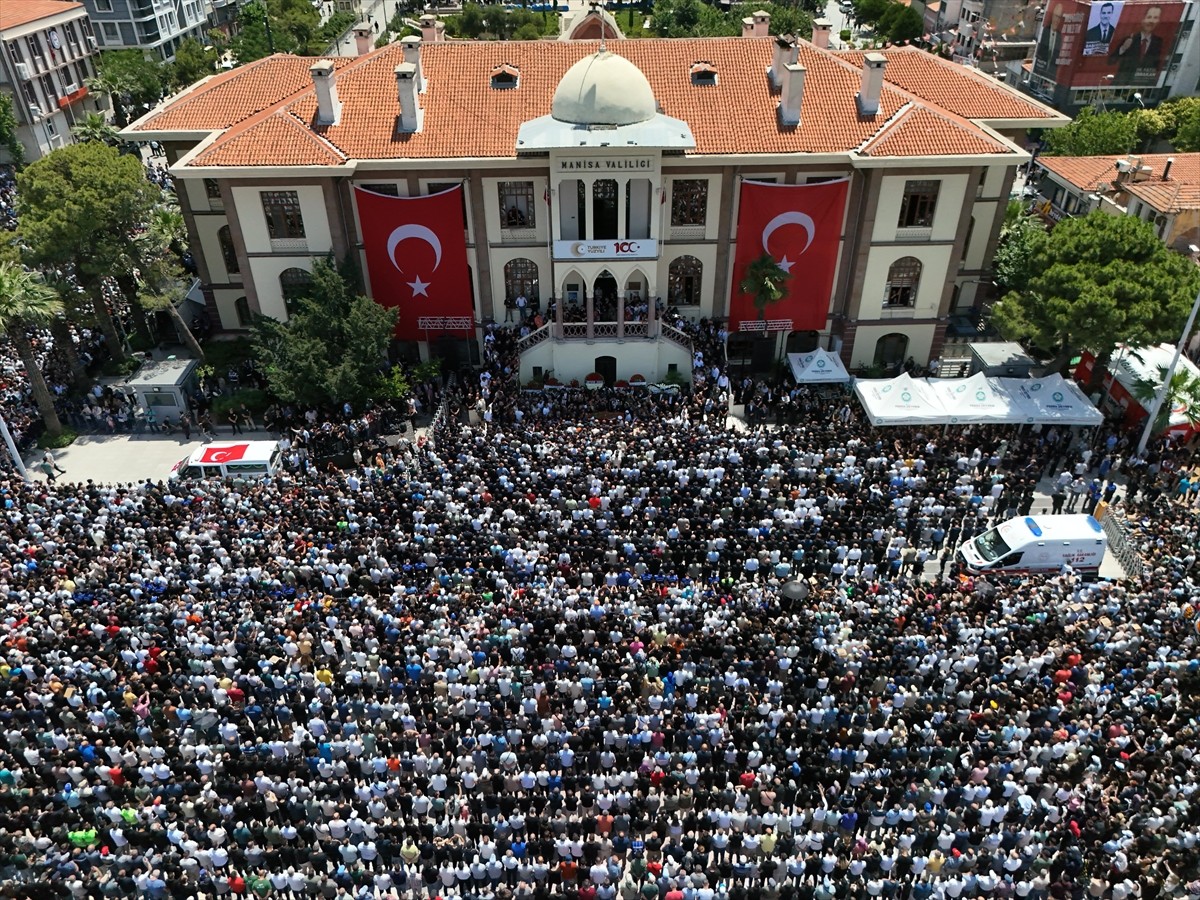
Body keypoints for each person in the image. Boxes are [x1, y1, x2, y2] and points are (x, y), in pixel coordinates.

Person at [1109, 5, 1164, 82]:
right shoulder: (1129, 38)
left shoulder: (1158, 42)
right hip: (1122, 83)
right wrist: (1123, 48)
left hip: (1143, 83)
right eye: (1149, 17)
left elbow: (1157, 65)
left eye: (1155, 18)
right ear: (1142, 19)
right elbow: (1111, 61)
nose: (1151, 21)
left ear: (1159, 21)